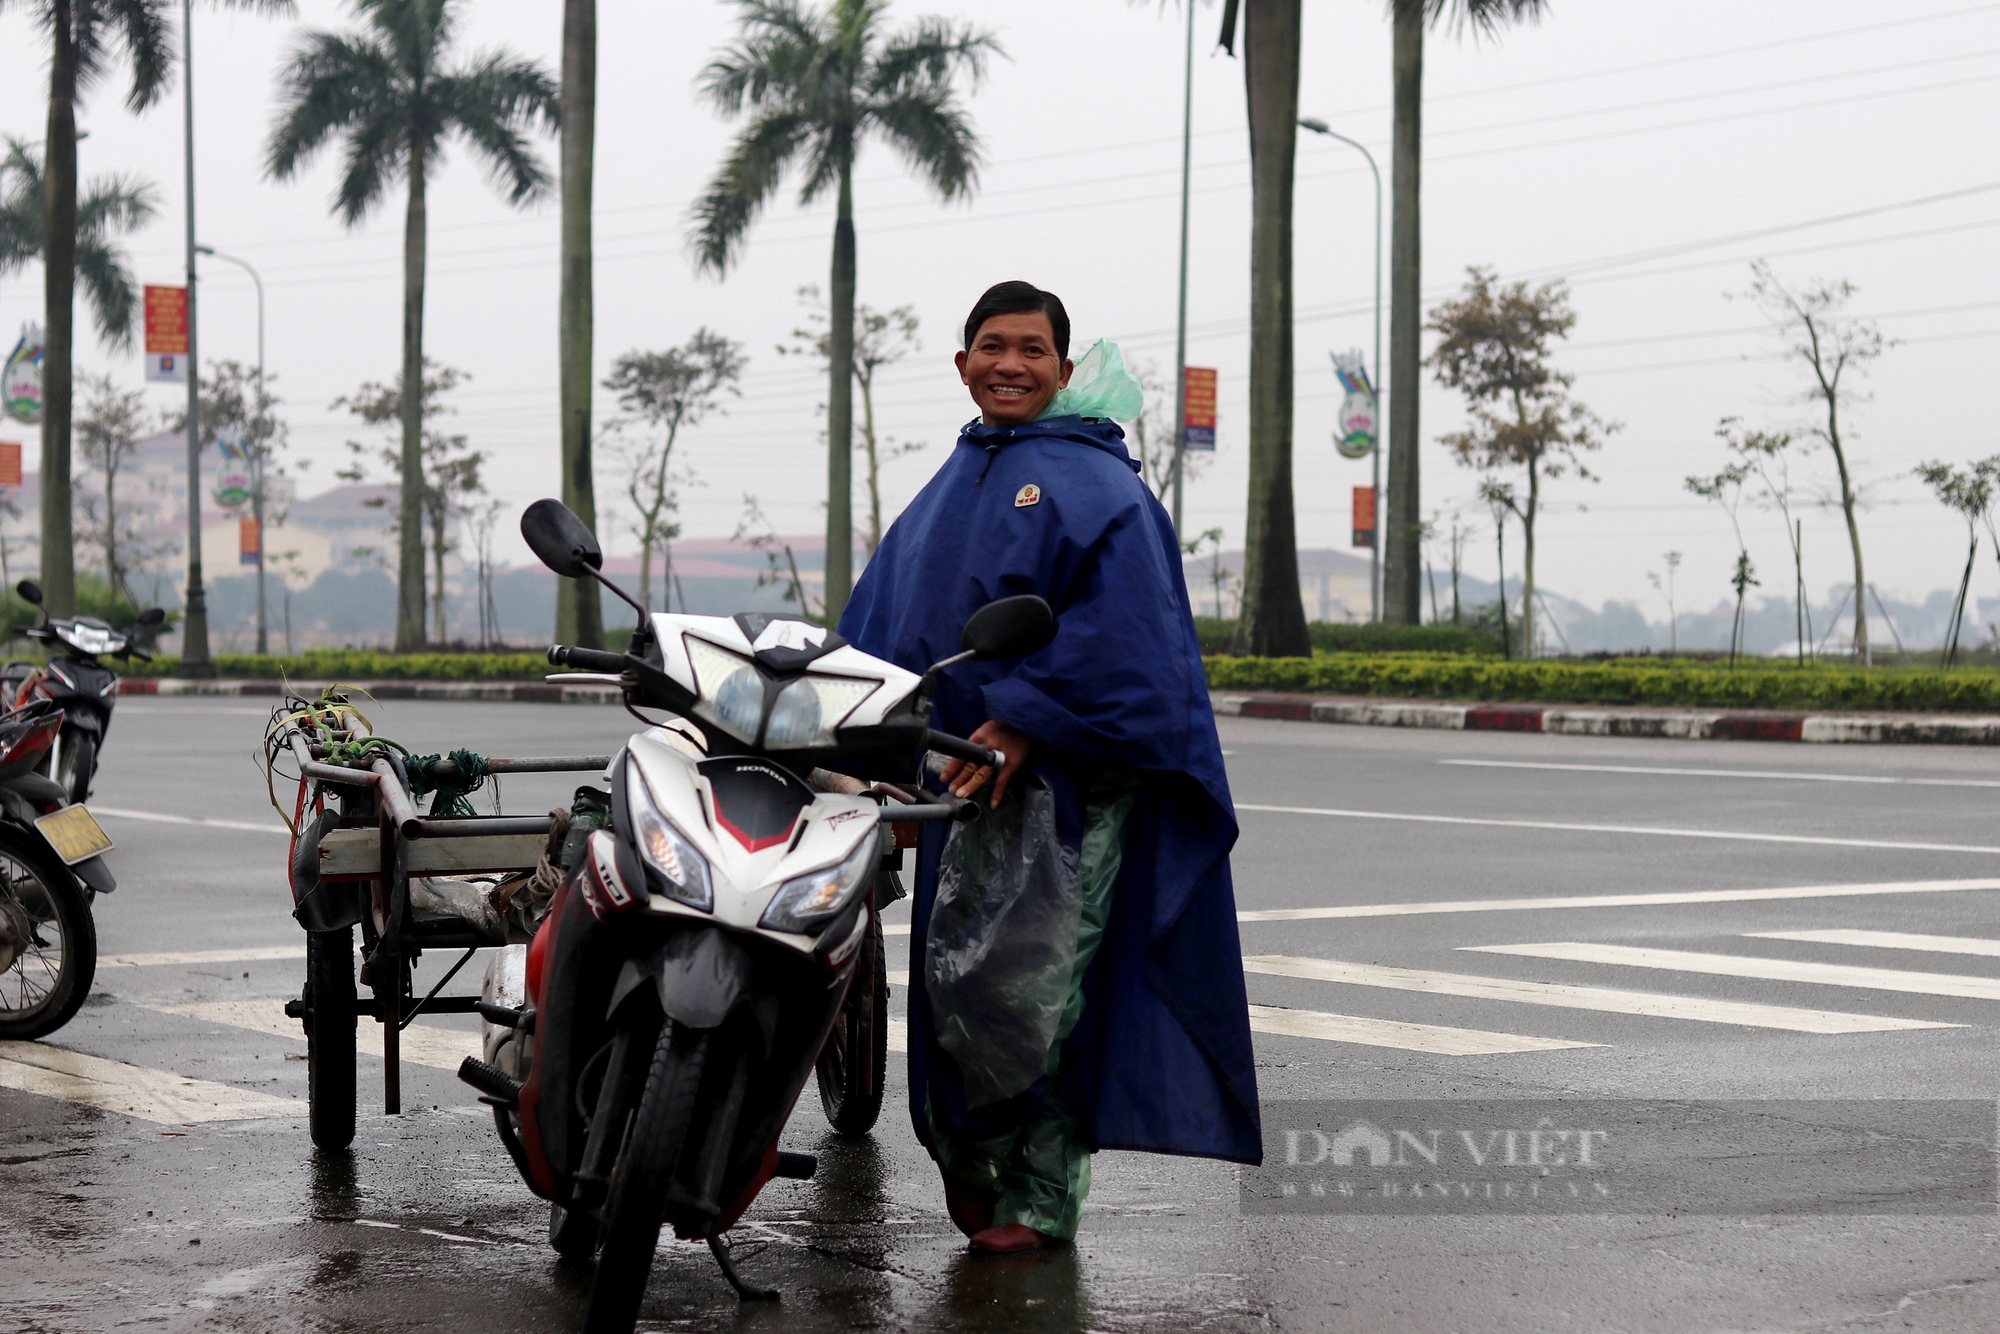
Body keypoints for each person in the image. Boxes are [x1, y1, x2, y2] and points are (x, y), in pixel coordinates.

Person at [837, 280, 1260, 1254]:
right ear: (962, 362)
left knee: (1029, 989)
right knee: (952, 987)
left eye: (1031, 349)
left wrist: (1024, 722)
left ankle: (1039, 1190)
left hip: (1064, 792)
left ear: (1063, 369)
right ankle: (974, 1166)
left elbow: (1132, 641)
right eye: (992, 346)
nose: (1009, 365)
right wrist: (857, 736)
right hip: (956, 786)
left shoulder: (1098, 485)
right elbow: (889, 620)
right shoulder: (957, 476)